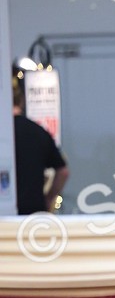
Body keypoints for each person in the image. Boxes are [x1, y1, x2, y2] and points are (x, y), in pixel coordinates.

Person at [11, 72, 69, 214]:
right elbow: (63, 172)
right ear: (22, 101)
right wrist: (49, 198)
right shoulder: (38, 131)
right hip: (34, 212)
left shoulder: (5, 132)